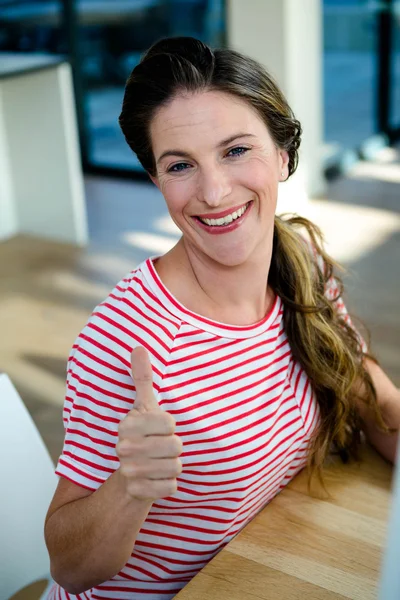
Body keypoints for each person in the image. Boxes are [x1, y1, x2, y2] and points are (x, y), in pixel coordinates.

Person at [44, 37, 400, 599]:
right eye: (180, 165)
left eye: (236, 151)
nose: (213, 191)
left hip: (255, 565)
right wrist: (129, 488)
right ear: (158, 180)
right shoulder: (126, 339)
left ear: (283, 155)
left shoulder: (299, 262)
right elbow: (69, 564)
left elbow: (363, 387)